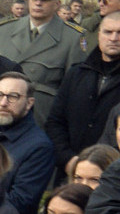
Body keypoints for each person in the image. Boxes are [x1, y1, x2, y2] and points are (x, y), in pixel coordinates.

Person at [0, 0, 87, 128]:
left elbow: (74, 90)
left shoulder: (72, 37)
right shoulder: (5, 30)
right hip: (4, 114)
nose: (38, 3)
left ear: (57, 3)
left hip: (42, 117)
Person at [45, 11, 120, 171]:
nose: (113, 38)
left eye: (119, 33)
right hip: (72, 170)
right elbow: (55, 121)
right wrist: (68, 159)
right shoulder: (76, 73)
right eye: (108, 32)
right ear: (99, 35)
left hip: (113, 174)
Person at [0, 72, 55, 214]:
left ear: (29, 103)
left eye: (13, 97)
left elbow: (20, 202)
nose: (3, 103)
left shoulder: (40, 147)